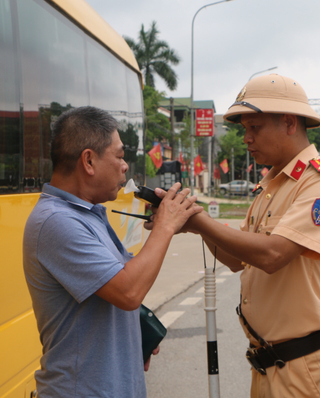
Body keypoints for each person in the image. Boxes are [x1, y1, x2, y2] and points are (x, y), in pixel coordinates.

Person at [165, 74, 320, 397]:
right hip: (268, 366)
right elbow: (240, 259)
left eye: (255, 128)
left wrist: (200, 219)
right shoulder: (270, 187)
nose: (246, 139)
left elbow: (272, 255)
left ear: (290, 123)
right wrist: (192, 224)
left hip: (305, 370)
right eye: (244, 130)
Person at [23, 106, 202, 398]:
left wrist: (134, 333)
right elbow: (128, 291)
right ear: (89, 161)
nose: (125, 166)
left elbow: (115, 286)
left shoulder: (88, 213)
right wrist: (165, 227)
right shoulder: (56, 221)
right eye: (119, 156)